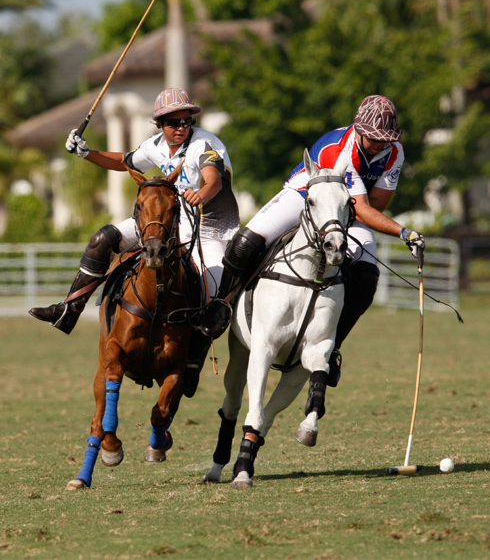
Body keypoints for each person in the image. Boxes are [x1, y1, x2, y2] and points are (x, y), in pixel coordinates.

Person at [216, 94, 425, 386]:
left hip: (345, 210)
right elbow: (365, 206)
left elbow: (376, 203)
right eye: (374, 138)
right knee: (245, 243)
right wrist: (404, 232)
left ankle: (331, 346)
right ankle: (218, 310)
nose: (380, 144)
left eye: (385, 139)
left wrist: (352, 207)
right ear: (359, 129)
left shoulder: (394, 151)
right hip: (305, 194)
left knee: (366, 277)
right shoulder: (339, 150)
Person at [29, 88, 240, 346]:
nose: (181, 128)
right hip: (171, 220)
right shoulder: (156, 146)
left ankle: (192, 356)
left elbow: (214, 180)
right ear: (160, 124)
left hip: (210, 229)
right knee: (102, 240)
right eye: (173, 123)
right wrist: (86, 153)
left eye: (187, 121)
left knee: (211, 301)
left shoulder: (203, 144)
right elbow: (124, 162)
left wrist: (202, 194)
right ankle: (68, 310)